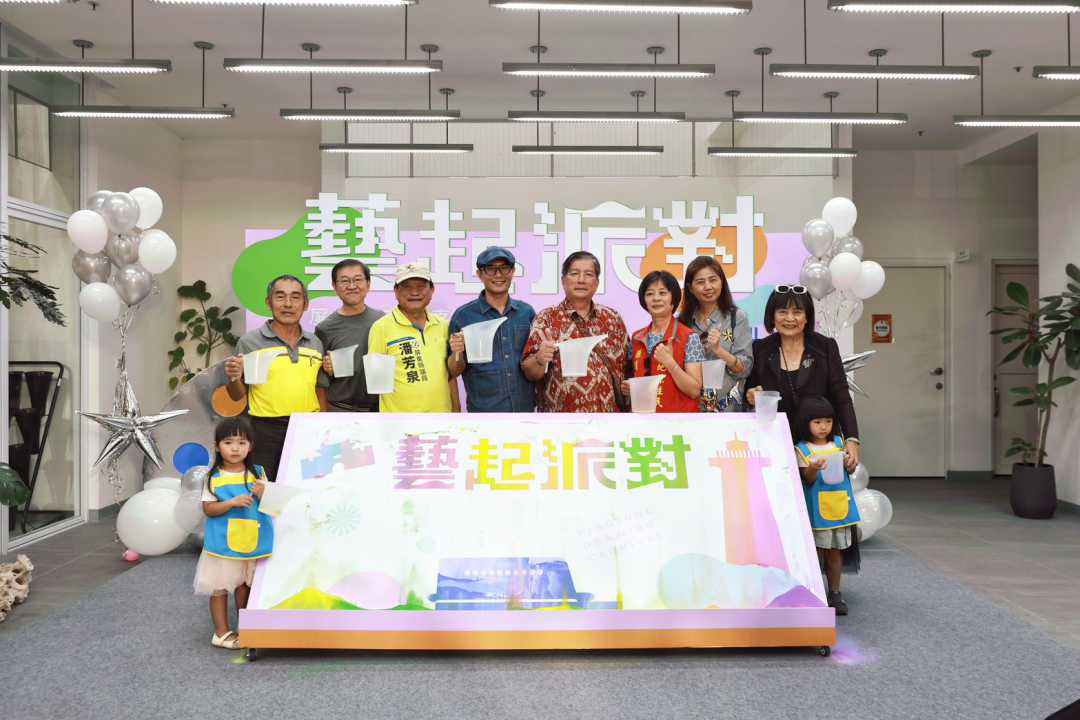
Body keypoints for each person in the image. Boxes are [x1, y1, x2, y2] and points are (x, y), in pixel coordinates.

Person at [744, 284, 862, 469]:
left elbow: (842, 398)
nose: (790, 318)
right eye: (782, 312)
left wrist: (852, 439)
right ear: (772, 316)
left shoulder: (825, 347)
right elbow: (749, 392)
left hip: (821, 448)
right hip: (774, 446)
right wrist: (751, 395)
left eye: (797, 312)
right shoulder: (760, 349)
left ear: (807, 317)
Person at [224, 275, 324, 482]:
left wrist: (322, 426)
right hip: (264, 430)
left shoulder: (315, 343)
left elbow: (319, 388)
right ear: (268, 303)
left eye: (295, 297)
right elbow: (236, 396)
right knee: (265, 488)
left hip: (306, 429)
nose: (288, 304)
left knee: (304, 485)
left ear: (305, 304)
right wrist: (234, 378)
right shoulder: (250, 342)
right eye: (280, 297)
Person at [193, 417, 272, 649]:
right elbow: (208, 509)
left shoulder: (258, 473)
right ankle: (220, 633)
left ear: (250, 446)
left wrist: (264, 494)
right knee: (219, 588)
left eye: (241, 442)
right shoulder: (213, 477)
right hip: (222, 543)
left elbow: (272, 506)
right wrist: (231, 503)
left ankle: (246, 630)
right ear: (217, 446)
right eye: (228, 442)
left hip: (251, 540)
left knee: (244, 586)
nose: (235, 448)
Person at [522, 251, 629, 413]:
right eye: (574, 273)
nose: (581, 280)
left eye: (588, 274)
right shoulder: (546, 319)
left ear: (597, 283)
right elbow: (529, 373)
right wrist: (539, 358)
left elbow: (627, 368)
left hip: (609, 418)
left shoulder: (613, 319)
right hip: (562, 420)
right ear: (563, 281)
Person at [794, 395, 861, 616]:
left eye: (828, 421)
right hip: (816, 513)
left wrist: (849, 464)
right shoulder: (802, 450)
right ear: (806, 423)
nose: (823, 427)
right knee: (814, 553)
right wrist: (813, 468)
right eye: (817, 422)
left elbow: (850, 471)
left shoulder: (840, 444)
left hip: (839, 509)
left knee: (834, 553)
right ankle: (813, 592)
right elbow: (807, 479)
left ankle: (835, 592)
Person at [448, 247, 537, 412]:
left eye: (504, 268)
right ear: (479, 274)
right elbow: (452, 371)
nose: (498, 274)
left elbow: (535, 363)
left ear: (513, 272)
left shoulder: (526, 312)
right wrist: (457, 353)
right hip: (483, 413)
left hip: (524, 411)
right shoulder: (464, 316)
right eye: (490, 269)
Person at [367, 263, 456, 413]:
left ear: (432, 290)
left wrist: (456, 409)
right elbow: (377, 381)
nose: (414, 292)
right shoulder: (381, 327)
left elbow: (450, 376)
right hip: (399, 420)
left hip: (441, 417)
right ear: (396, 291)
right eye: (407, 287)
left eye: (421, 287)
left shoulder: (443, 326)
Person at [678, 256, 753, 412]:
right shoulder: (682, 322)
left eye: (713, 280)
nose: (708, 287)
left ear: (722, 282)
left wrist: (719, 350)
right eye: (700, 282)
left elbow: (745, 368)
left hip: (728, 410)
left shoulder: (737, 318)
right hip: (691, 409)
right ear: (690, 288)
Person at [623, 270, 704, 411]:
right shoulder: (636, 338)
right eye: (649, 294)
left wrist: (669, 362)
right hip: (643, 419)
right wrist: (630, 389)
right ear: (644, 300)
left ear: (673, 299)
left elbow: (694, 391)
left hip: (678, 420)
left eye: (662, 293)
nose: (656, 298)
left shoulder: (690, 338)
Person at [316, 259, 385, 413]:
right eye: (345, 281)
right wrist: (328, 369)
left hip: (380, 409)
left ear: (368, 284)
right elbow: (320, 379)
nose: (352, 286)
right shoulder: (325, 328)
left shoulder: (383, 321)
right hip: (340, 409)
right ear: (334, 286)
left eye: (358, 280)